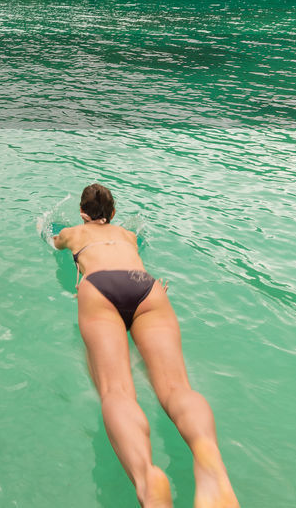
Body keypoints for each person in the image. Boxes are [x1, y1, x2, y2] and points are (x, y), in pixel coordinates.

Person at [52, 183, 238, 508]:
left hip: (98, 287)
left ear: (84, 213)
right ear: (112, 214)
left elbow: (56, 243)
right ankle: (209, 460)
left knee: (116, 391)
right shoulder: (127, 235)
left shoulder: (73, 232)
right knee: (176, 387)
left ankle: (147, 479)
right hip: (146, 286)